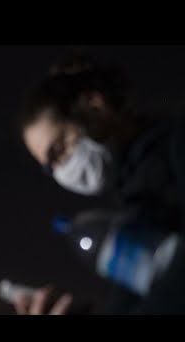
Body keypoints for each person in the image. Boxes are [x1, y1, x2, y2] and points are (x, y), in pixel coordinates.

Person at [15, 54, 185, 315]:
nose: (61, 172)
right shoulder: (135, 208)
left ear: (95, 106)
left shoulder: (176, 147)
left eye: (58, 150)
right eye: (50, 167)